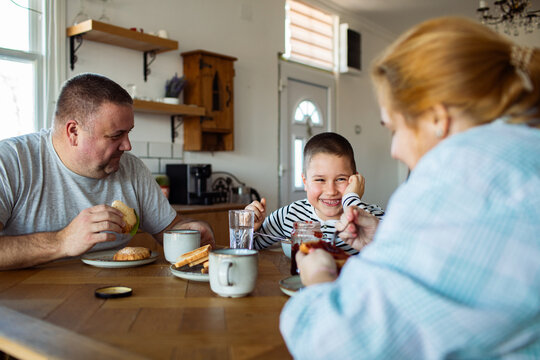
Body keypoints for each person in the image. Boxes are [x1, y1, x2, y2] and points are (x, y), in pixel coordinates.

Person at [280, 16, 540, 359]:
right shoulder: (521, 156)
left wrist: (319, 278)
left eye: (394, 128)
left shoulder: (458, 177)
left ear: (436, 117)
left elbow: (336, 345)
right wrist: (385, 237)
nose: (394, 149)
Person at [0, 73, 215, 270]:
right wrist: (62, 241)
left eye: (128, 133)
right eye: (116, 135)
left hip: (119, 299)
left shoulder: (131, 169)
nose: (127, 146)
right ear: (73, 132)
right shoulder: (11, 161)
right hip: (25, 303)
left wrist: (192, 229)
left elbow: (171, 228)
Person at [246, 132, 384, 255]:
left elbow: (397, 254)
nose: (331, 191)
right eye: (320, 179)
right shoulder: (289, 215)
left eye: (341, 179)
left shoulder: (374, 218)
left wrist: (351, 200)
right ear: (305, 182)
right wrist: (248, 228)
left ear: (355, 181)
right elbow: (248, 248)